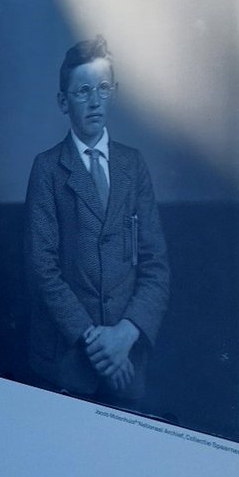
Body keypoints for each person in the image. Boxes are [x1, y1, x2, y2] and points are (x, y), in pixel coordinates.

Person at [25, 35, 170, 407]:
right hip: (68, 356)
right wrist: (95, 341)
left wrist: (125, 334)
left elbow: (155, 264)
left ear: (114, 93)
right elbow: (43, 268)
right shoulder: (48, 168)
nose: (94, 101)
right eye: (82, 91)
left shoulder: (132, 164)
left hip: (128, 357)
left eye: (103, 88)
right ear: (63, 101)